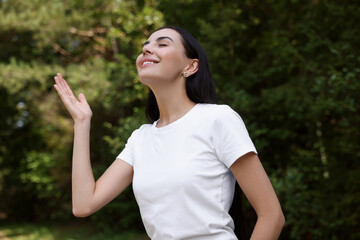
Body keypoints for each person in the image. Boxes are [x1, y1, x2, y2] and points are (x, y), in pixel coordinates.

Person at [53, 26, 285, 240]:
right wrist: (82, 123)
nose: (146, 49)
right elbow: (84, 205)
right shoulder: (141, 139)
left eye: (162, 44)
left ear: (190, 66)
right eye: (145, 45)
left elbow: (271, 215)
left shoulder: (217, 119)